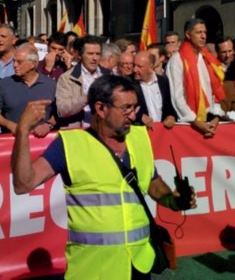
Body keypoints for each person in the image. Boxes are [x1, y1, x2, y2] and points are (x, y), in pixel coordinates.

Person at [11, 75, 196, 279]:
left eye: (135, 108)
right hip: (93, 269)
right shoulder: (70, 144)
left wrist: (173, 200)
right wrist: (22, 131)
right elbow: (23, 184)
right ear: (100, 108)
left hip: (139, 264)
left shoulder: (140, 138)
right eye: (126, 108)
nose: (133, 115)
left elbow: (153, 184)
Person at [166, 18, 225, 138]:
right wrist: (196, 122)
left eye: (205, 32)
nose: (203, 36)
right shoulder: (177, 60)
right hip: (190, 124)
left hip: (210, 120)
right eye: (199, 33)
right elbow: (177, 97)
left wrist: (216, 118)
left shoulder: (207, 58)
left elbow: (215, 90)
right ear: (188, 34)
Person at [0, 44, 56, 137]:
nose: (14, 65)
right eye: (14, 61)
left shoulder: (51, 85)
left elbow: (57, 115)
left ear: (33, 64)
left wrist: (48, 125)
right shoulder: (4, 84)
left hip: (41, 144)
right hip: (12, 141)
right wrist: (10, 125)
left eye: (19, 62)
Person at [56, 35, 110, 128]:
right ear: (80, 55)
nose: (94, 58)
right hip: (78, 132)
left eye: (97, 54)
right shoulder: (67, 78)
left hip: (104, 131)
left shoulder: (108, 75)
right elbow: (62, 110)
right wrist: (87, 98)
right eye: (90, 54)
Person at [132, 51, 176, 129]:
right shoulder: (128, 83)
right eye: (134, 65)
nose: (135, 69)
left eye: (139, 66)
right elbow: (124, 108)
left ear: (151, 66)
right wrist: (140, 116)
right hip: (140, 133)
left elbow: (169, 106)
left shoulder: (163, 82)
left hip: (161, 133)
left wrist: (171, 117)